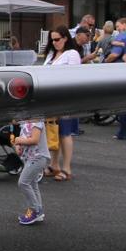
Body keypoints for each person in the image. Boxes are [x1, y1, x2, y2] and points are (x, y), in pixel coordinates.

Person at [43, 25, 82, 181]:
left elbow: (74, 77)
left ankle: (66, 168)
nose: (54, 42)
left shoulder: (72, 54)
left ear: (65, 38)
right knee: (54, 132)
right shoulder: (52, 54)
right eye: (52, 40)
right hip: (52, 98)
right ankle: (54, 165)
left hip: (66, 99)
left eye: (57, 39)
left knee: (65, 133)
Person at [11, 118, 49, 225]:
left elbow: (34, 140)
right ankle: (38, 211)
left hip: (38, 158)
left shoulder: (37, 121)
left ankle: (35, 210)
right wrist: (18, 146)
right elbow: (24, 137)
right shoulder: (25, 122)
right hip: (31, 158)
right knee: (33, 184)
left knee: (23, 183)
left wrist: (19, 140)